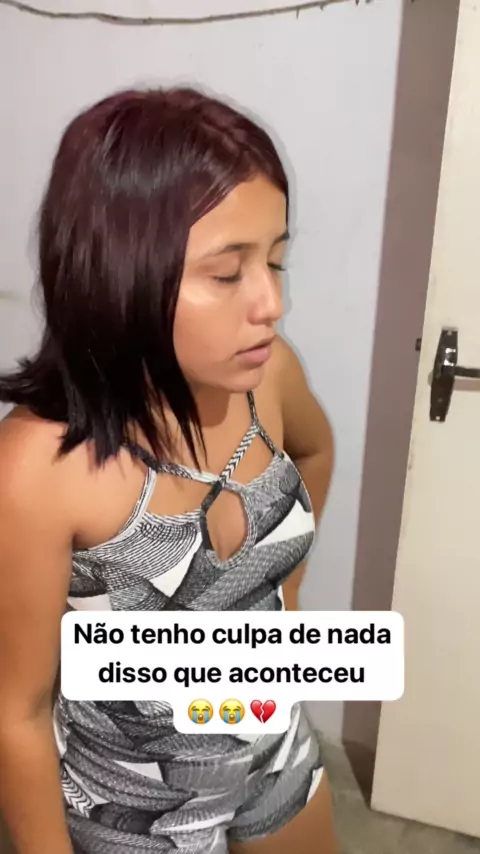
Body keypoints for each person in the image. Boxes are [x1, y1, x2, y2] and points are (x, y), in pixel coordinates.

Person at [0, 87, 337, 854]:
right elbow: (15, 713)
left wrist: (278, 601)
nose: (272, 302)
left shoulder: (268, 378)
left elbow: (315, 452)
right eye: (228, 273)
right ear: (124, 274)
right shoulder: (37, 468)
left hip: (273, 746)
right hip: (136, 811)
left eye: (276, 260)